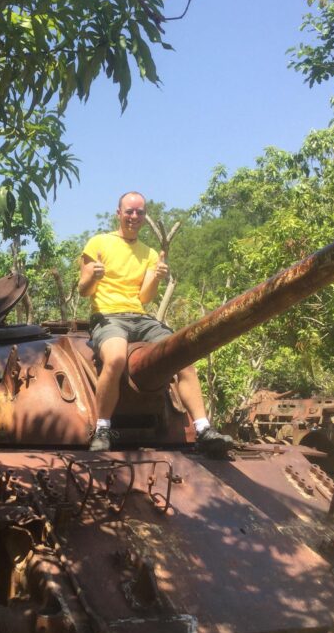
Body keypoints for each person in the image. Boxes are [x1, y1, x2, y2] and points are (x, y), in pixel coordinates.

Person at [78, 191, 236, 455]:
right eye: (129, 211)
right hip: (108, 316)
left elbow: (144, 298)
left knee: (183, 356)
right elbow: (84, 290)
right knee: (115, 358)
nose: (134, 216)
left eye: (140, 212)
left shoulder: (150, 253)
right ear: (118, 213)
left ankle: (203, 429)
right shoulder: (98, 243)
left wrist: (156, 276)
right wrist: (94, 276)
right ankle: (103, 428)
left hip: (140, 318)